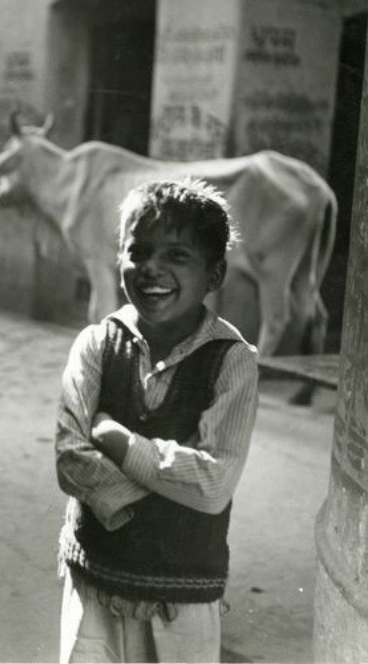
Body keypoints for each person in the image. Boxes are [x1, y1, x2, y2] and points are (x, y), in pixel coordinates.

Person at [55, 178, 259, 663]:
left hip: (181, 597)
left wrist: (117, 439)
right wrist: (161, 484)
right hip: (95, 579)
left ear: (214, 275)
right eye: (138, 251)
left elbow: (212, 485)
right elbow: (70, 457)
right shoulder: (96, 344)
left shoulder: (232, 361)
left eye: (177, 256)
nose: (152, 269)